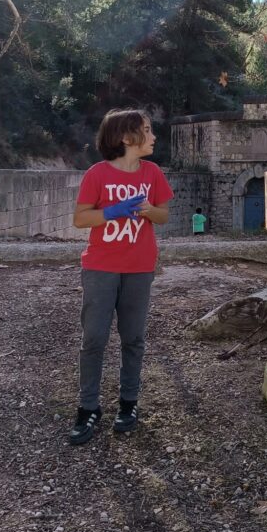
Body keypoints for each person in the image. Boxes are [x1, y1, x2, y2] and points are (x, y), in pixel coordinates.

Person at [68, 109, 173, 445]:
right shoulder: (97, 174)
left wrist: (145, 209)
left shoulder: (153, 173)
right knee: (94, 338)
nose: (153, 136)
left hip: (140, 267)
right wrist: (111, 212)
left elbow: (164, 215)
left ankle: (128, 404)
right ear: (127, 138)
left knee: (133, 339)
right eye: (146, 130)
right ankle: (88, 408)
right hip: (100, 267)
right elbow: (81, 220)